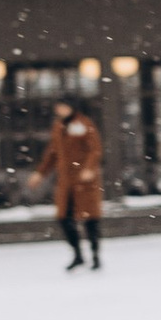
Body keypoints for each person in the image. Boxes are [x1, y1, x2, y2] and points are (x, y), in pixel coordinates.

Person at [32, 98, 105, 270]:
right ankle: (78, 254)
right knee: (64, 219)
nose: (60, 110)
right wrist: (40, 173)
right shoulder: (59, 126)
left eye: (63, 107)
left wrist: (89, 169)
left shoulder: (84, 124)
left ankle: (95, 255)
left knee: (90, 220)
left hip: (84, 182)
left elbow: (94, 150)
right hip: (66, 182)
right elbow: (52, 153)